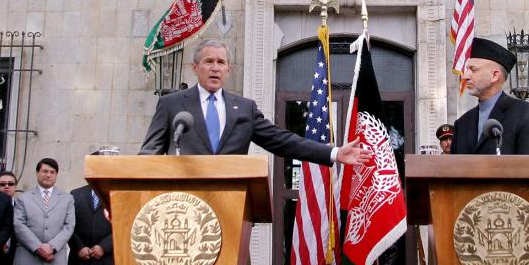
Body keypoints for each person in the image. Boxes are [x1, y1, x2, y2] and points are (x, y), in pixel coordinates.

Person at [140, 39, 371, 167]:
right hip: (180, 205)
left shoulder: (244, 109)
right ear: (195, 68)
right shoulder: (171, 105)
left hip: (232, 203)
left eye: (221, 62)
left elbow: (283, 141)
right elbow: (149, 154)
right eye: (208, 61)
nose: (215, 67)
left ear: (228, 70)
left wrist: (334, 152)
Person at [451, 38, 529, 155]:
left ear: (495, 75)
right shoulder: (461, 124)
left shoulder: (524, 114)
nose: (465, 76)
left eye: (473, 70)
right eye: (467, 69)